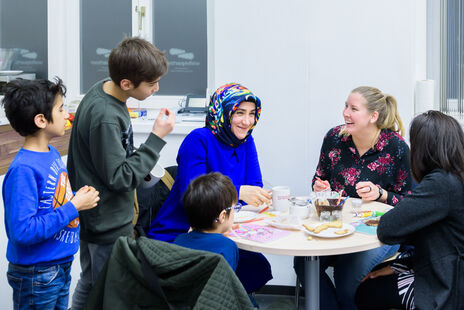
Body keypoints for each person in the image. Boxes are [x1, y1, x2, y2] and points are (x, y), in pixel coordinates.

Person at [67, 37, 176, 309]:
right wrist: (156, 139)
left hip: (98, 219)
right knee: (110, 294)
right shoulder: (105, 115)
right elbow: (120, 177)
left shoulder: (106, 90)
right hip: (106, 223)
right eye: (151, 84)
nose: (156, 88)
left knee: (92, 283)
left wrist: (140, 156)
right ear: (127, 83)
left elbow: (115, 154)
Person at [147, 82, 272, 296]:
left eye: (252, 114)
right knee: (244, 267)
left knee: (258, 267)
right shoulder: (198, 139)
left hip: (221, 229)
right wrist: (238, 192)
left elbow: (255, 188)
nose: (247, 121)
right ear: (222, 112)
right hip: (180, 232)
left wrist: (250, 196)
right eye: (240, 113)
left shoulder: (246, 142)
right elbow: (193, 197)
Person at [294, 86, 412, 310]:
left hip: (381, 230)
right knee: (303, 262)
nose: (345, 113)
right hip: (336, 224)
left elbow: (410, 201)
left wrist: (381, 194)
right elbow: (319, 179)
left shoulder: (395, 146)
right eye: (346, 106)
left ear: (373, 116)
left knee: (348, 273)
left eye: (354, 108)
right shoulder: (334, 138)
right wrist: (320, 186)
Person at [1, 78, 100, 310]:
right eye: (61, 108)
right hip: (37, 274)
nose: (67, 114)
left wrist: (76, 197)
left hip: (59, 265)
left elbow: (51, 201)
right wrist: (73, 206)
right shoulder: (23, 170)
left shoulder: (51, 152)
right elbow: (23, 231)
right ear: (41, 120)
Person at [356, 111, 464, 310]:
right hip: (443, 265)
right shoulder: (455, 177)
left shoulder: (440, 183)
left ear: (424, 148)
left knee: (368, 290)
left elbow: (388, 228)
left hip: (447, 284)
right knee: (377, 271)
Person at [174, 172, 240, 270]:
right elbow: (227, 283)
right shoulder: (227, 246)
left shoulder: (179, 240)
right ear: (222, 216)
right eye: (234, 208)